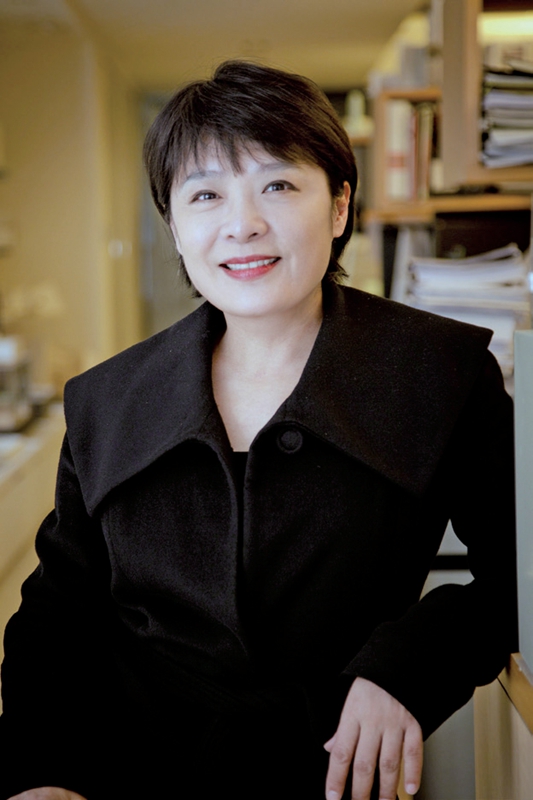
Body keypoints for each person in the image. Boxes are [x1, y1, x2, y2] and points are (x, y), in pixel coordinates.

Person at [0, 60, 516, 800]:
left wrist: (404, 667)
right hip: (124, 770)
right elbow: (59, 611)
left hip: (329, 771)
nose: (241, 223)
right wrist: (39, 771)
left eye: (278, 185)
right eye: (205, 194)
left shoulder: (440, 372)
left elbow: (516, 576)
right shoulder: (106, 400)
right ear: (175, 226)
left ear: (339, 205)